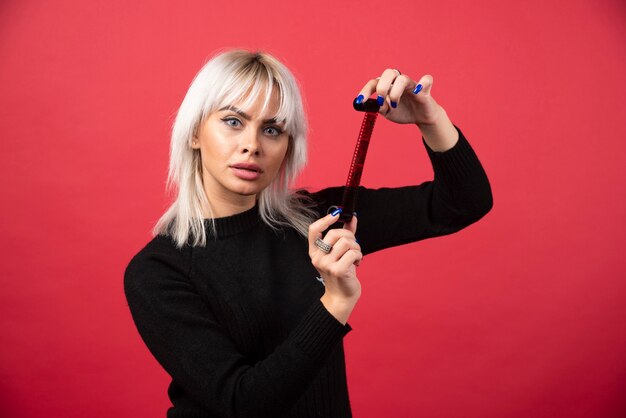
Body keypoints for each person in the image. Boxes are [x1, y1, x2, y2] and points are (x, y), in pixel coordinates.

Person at [124, 49, 492, 418]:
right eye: (233, 121)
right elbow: (243, 403)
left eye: (272, 129)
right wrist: (336, 301)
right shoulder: (158, 271)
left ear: (287, 147)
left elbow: (464, 202)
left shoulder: (317, 221)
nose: (252, 144)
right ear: (194, 134)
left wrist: (430, 119)